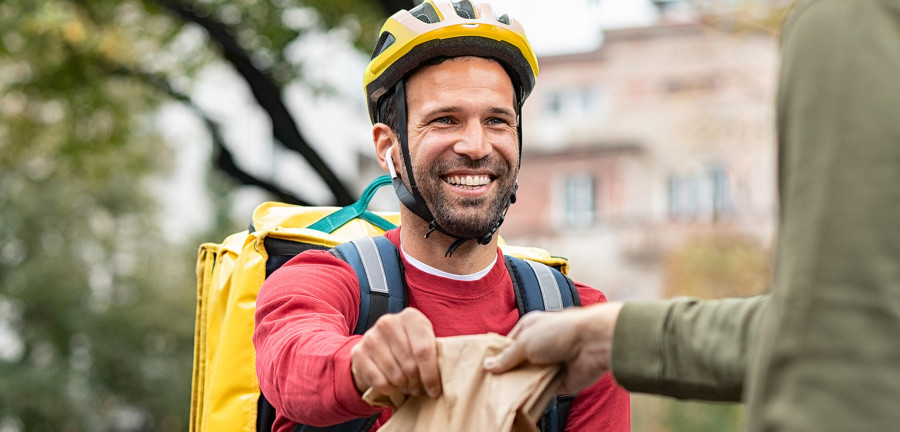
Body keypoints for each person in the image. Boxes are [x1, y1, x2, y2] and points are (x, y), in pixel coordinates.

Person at [485, 0, 900, 430]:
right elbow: (829, 330)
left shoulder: (853, 18)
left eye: (498, 121)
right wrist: (615, 337)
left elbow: (843, 345)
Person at [252, 1, 631, 431]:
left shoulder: (576, 319)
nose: (475, 145)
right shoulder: (319, 280)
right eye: (445, 120)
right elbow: (292, 364)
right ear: (386, 147)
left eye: (497, 121)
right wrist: (361, 364)